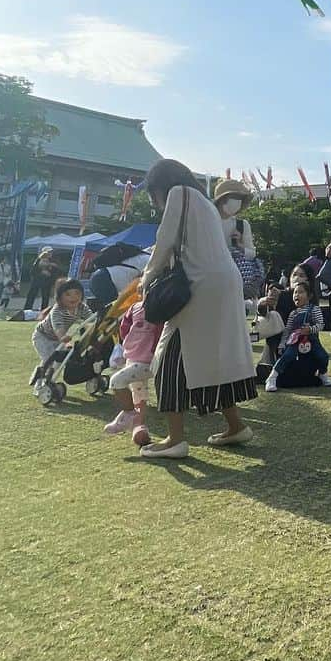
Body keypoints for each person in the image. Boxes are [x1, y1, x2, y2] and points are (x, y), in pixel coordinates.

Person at [138, 159, 258, 460]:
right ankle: (236, 425)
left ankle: (175, 439)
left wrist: (146, 278)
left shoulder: (179, 193)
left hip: (200, 286)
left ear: (160, 185)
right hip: (224, 283)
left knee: (170, 358)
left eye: (153, 194)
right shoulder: (202, 202)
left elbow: (164, 241)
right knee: (215, 357)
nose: (155, 202)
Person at [104, 298, 161, 446]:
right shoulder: (135, 307)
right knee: (139, 392)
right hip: (135, 357)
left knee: (116, 381)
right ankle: (138, 426)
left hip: (148, 361)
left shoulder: (161, 307)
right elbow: (124, 327)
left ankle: (129, 414)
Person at [264, 274, 331, 392]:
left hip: (311, 340)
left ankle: (322, 373)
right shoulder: (293, 313)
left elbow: (321, 324)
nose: (296, 295)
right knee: (287, 356)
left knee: (323, 356)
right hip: (295, 340)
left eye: (300, 292)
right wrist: (282, 344)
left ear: (309, 296)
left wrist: (310, 330)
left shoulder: (314, 309)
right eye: (295, 293)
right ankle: (272, 377)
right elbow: (287, 330)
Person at [29, 279, 92, 387]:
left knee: (59, 362)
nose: (73, 297)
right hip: (43, 336)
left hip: (58, 339)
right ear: (60, 297)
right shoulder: (57, 310)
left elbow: (91, 320)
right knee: (49, 359)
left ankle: (49, 380)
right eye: (68, 294)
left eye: (77, 293)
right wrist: (63, 337)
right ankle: (39, 383)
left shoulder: (82, 307)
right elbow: (58, 327)